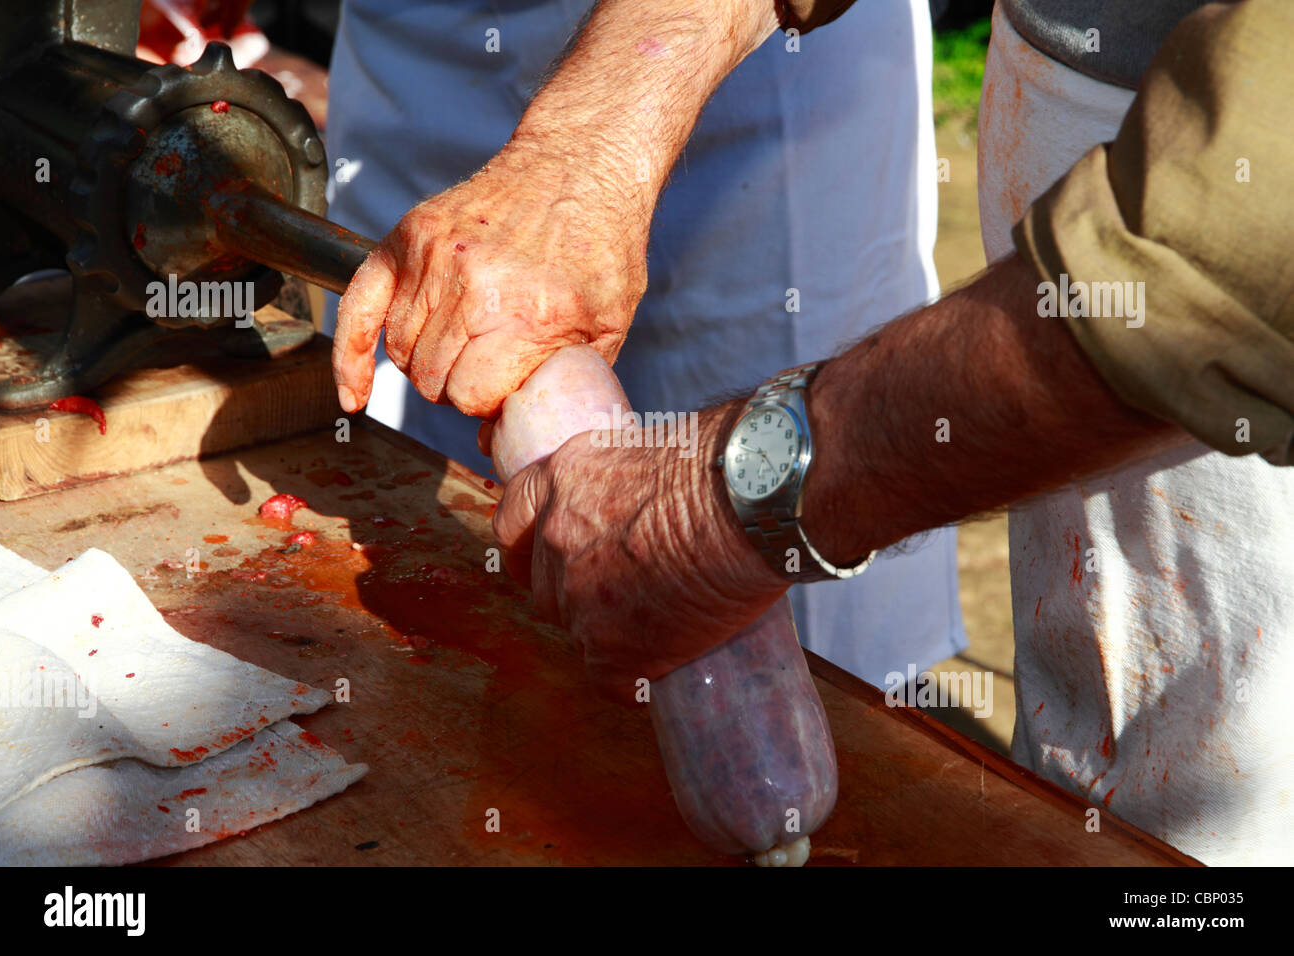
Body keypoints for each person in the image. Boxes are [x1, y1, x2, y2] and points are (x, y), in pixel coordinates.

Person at [469, 0, 1291, 866]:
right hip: (1080, 112)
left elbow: (1238, 253)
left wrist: (722, 499)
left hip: (1230, 219)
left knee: (1237, 799)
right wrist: (586, 153)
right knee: (1095, 750)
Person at [324, 0, 966, 684]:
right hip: (421, 53)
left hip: (742, 61)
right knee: (446, 608)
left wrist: (575, 165)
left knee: (751, 542)